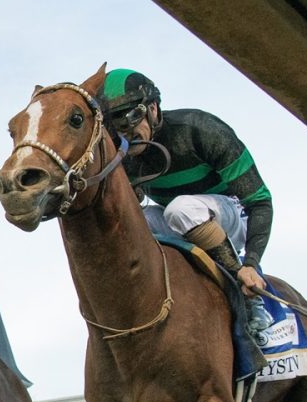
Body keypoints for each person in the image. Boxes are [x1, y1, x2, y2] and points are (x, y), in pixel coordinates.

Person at [99, 69, 275, 350]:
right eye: (114, 127)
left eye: (132, 119)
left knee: (180, 209)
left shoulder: (201, 129)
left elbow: (260, 202)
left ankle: (248, 298)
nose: (126, 134)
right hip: (184, 221)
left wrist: (251, 263)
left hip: (232, 215)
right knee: (138, 220)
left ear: (153, 108)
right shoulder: (124, 158)